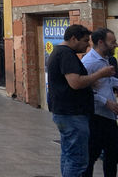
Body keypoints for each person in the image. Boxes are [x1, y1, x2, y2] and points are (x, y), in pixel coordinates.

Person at [48, 24, 114, 177]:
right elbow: (75, 82)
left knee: (69, 155)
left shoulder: (59, 52)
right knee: (77, 160)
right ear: (73, 39)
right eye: (85, 41)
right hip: (72, 115)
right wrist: (99, 74)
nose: (88, 45)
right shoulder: (66, 54)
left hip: (65, 113)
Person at [82, 28, 118, 177]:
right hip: (96, 116)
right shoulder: (89, 62)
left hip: (109, 117)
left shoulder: (106, 60)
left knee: (112, 156)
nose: (115, 45)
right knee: (91, 156)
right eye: (112, 42)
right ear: (101, 42)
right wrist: (105, 102)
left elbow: (107, 82)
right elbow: (83, 89)